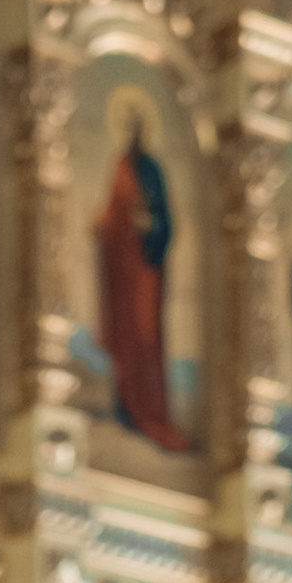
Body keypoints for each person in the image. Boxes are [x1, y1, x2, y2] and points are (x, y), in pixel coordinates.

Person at [94, 94, 190, 450]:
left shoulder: (152, 172)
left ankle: (148, 410)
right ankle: (126, 407)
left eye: (136, 128)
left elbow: (166, 222)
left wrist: (150, 226)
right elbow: (114, 215)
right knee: (125, 338)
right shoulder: (119, 166)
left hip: (146, 274)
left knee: (146, 339)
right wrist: (103, 227)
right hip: (122, 273)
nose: (131, 134)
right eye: (126, 127)